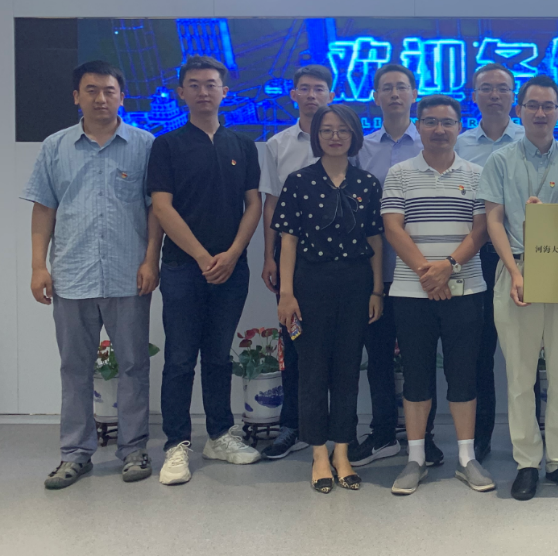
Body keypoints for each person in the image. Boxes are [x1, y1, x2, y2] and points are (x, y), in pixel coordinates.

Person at [24, 61, 161, 489]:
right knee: (74, 368)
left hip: (128, 275)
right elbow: (44, 208)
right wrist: (38, 266)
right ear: (76, 97)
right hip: (71, 275)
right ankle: (75, 453)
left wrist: (151, 260)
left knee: (134, 365)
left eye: (109, 90)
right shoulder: (55, 146)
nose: (101, 99)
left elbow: (156, 211)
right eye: (91, 90)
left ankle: (133, 448)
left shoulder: (145, 145)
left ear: (122, 96)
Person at [480, 74, 558, 501]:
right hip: (516, 268)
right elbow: (494, 219)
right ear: (520, 110)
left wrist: (552, 220)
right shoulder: (500, 160)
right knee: (519, 375)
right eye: (532, 105)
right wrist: (514, 272)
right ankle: (527, 462)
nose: (539, 112)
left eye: (548, 105)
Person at [148, 55, 263, 485]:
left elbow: (253, 204)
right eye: (194, 85)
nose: (203, 91)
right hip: (183, 267)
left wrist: (232, 253)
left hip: (232, 268)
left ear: (224, 91)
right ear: (181, 93)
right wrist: (201, 256)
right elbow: (162, 207)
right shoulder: (167, 145)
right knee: (180, 358)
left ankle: (219, 435)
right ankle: (176, 444)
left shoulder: (242, 145)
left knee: (218, 355)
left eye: (211, 84)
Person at [383, 95, 494, 495]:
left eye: (447, 122)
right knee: (416, 375)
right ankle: (415, 459)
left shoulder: (477, 174)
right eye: (430, 122)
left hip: (466, 289)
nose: (439, 130)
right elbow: (393, 227)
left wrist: (447, 266)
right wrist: (428, 274)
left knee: (463, 374)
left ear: (459, 127)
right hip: (411, 292)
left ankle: (467, 458)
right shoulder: (399, 173)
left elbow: (481, 230)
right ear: (418, 126)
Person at [274, 104, 384, 493]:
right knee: (312, 371)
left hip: (355, 284)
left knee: (347, 370)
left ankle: (342, 452)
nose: (335, 137)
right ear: (316, 135)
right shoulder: (298, 181)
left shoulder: (367, 183)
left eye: (343, 130)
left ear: (354, 135)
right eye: (327, 130)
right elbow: (288, 241)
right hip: (310, 285)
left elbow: (375, 239)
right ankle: (319, 453)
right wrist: (286, 293)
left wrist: (376, 289)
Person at [349, 64, 441, 469]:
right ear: (375, 97)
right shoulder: (361, 148)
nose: (394, 94)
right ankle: (383, 433)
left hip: (424, 272)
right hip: (376, 271)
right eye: (386, 88)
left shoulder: (433, 142)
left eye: (402, 87)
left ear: (414, 94)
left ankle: (427, 438)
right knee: (379, 357)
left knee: (421, 358)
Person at [258, 64, 333, 460]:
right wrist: (267, 256)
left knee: (340, 347)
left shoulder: (345, 140)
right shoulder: (278, 144)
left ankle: (338, 428)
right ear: (293, 95)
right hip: (292, 262)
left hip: (340, 262)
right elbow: (271, 204)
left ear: (330, 94)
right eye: (304, 89)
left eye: (319, 89)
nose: (311, 95)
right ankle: (294, 425)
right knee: (295, 341)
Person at [454, 62, 525, 462]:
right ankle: (479, 438)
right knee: (479, 351)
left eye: (502, 88)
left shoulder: (531, 139)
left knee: (526, 352)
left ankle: (528, 439)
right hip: (476, 255)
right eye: (486, 88)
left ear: (513, 96)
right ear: (474, 95)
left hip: (524, 254)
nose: (495, 95)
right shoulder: (460, 143)